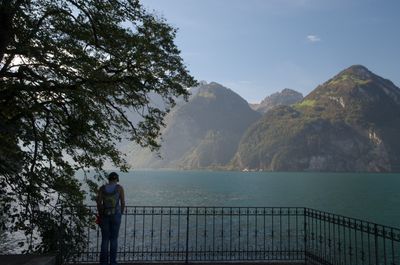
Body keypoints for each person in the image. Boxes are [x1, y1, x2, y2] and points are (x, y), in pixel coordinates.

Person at [96, 172, 125, 265]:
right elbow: (123, 202)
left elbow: (99, 203)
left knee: (105, 239)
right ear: (116, 179)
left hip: (105, 216)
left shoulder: (102, 188)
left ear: (108, 179)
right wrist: (121, 213)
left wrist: (101, 214)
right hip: (116, 215)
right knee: (114, 239)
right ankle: (113, 262)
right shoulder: (119, 188)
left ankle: (103, 262)